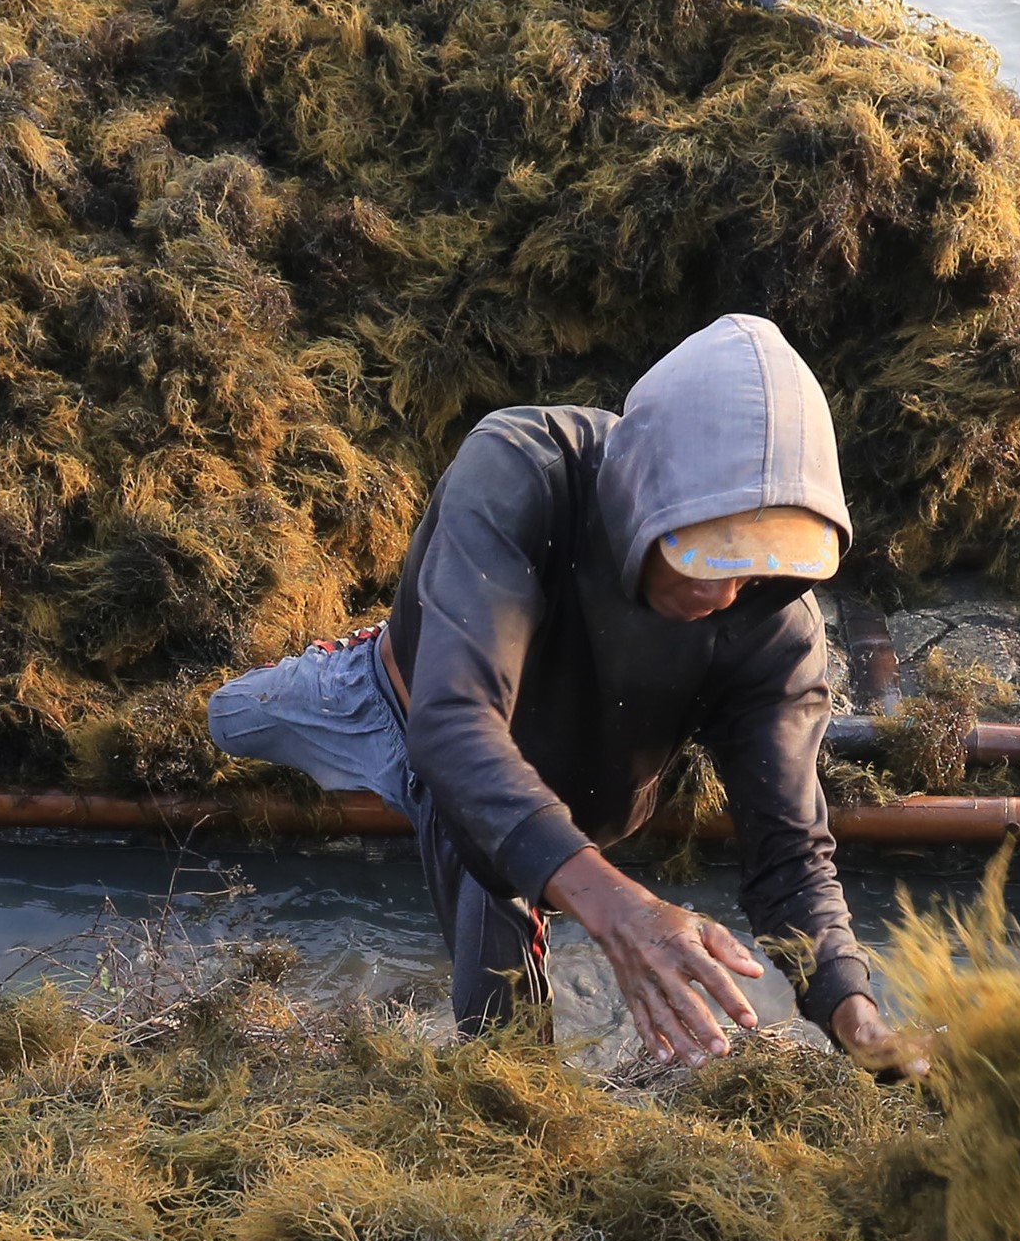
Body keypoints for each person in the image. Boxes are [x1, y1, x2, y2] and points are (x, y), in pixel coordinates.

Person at [205, 314, 914, 1072]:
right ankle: (372, 650)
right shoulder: (522, 469)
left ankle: (511, 894)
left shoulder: (772, 629)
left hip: (539, 805)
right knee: (226, 717)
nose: (722, 592)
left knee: (507, 1057)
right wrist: (623, 911)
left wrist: (856, 1017)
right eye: (702, 554)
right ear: (643, 494)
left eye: (754, 572)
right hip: (403, 694)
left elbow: (789, 852)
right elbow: (455, 724)